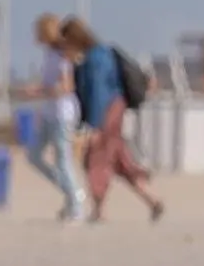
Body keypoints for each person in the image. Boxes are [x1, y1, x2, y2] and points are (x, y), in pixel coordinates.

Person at [61, 16, 164, 223]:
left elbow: (99, 92)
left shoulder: (95, 58)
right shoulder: (98, 55)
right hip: (114, 109)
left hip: (107, 112)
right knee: (119, 160)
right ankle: (152, 200)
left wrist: (96, 126)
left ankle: (99, 210)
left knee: (96, 158)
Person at [22, 13, 88, 221]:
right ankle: (72, 192)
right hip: (49, 113)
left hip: (63, 114)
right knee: (33, 156)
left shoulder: (63, 56)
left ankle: (75, 203)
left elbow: (67, 86)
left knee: (62, 160)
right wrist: (40, 91)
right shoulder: (49, 54)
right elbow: (50, 84)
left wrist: (42, 91)